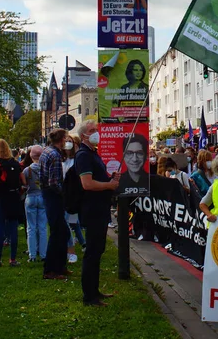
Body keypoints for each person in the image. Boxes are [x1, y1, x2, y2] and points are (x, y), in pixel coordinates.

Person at [75, 120, 120, 307]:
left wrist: (111, 179)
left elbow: (98, 179)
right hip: (92, 210)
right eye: (92, 131)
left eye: (96, 130)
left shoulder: (93, 153)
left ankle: (95, 290)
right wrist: (109, 185)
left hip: (100, 209)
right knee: (92, 252)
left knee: (98, 250)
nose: (96, 133)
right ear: (84, 135)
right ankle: (89, 296)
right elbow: (87, 183)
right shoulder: (83, 155)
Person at [39, 128, 70, 280]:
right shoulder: (55, 155)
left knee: (62, 231)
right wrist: (64, 194)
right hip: (53, 196)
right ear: (61, 139)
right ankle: (51, 269)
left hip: (47, 194)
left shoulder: (46, 151)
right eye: (66, 138)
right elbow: (54, 182)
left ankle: (60, 265)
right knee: (57, 232)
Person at [0, 139, 25, 267]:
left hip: (1, 199)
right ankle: (13, 259)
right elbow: (24, 181)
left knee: (0, 230)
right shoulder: (15, 163)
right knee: (13, 228)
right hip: (14, 197)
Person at [23, 145, 47, 262]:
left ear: (31, 155)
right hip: (42, 197)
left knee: (31, 227)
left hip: (31, 197)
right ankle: (43, 254)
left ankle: (32, 255)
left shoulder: (27, 170)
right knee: (42, 227)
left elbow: (24, 184)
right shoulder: (45, 168)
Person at [63, 134, 85, 263]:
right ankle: (71, 248)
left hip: (72, 196)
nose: (68, 144)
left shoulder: (76, 159)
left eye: (70, 142)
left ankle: (71, 250)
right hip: (62, 195)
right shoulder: (60, 158)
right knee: (67, 224)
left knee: (71, 223)